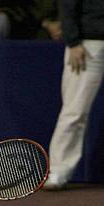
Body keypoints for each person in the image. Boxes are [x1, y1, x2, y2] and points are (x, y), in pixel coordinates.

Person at [44, 0, 104, 190]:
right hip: (88, 46)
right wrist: (73, 41)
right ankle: (58, 171)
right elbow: (67, 6)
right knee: (75, 111)